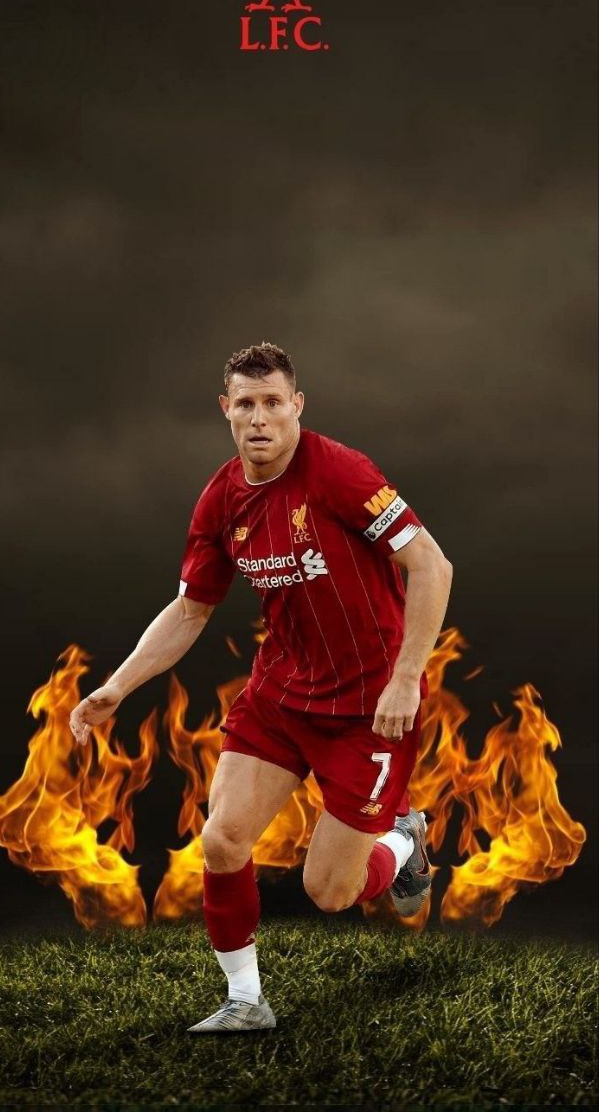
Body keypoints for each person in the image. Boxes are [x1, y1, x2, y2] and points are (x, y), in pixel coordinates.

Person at [69, 341, 453, 1033]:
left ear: (296, 406)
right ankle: (245, 1001)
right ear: (226, 409)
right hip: (280, 696)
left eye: (273, 402)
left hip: (369, 708)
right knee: (222, 840)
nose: (259, 417)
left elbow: (431, 565)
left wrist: (405, 679)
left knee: (328, 892)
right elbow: (190, 610)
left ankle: (402, 839)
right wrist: (117, 687)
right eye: (245, 404)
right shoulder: (222, 499)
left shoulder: (340, 472)